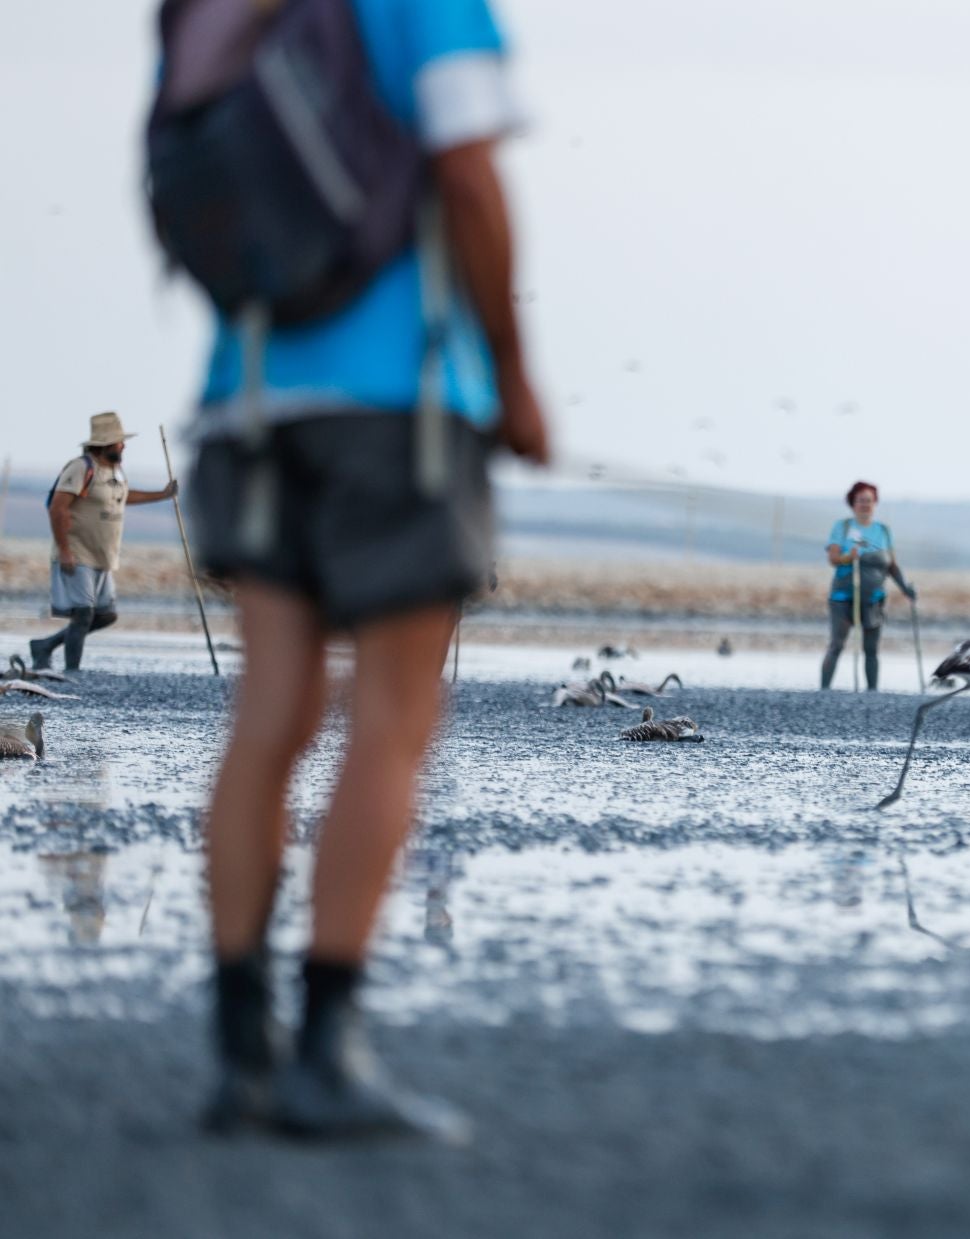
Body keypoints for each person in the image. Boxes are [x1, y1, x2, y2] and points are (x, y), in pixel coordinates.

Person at [185, 0, 549, 1140]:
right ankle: (327, 1049)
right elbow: (471, 179)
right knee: (392, 711)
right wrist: (518, 375)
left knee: (269, 712)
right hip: (405, 398)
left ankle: (241, 1053)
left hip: (246, 391)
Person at [26, 412, 178, 672]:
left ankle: (45, 645)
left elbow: (125, 497)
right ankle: (72, 671)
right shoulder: (81, 468)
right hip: (77, 552)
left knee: (106, 615)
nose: (124, 446)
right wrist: (64, 549)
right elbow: (58, 508)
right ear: (106, 444)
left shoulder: (115, 472)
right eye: (119, 441)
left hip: (103, 556)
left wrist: (162, 495)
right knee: (83, 613)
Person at [821, 481, 915, 690]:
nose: (865, 504)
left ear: (875, 503)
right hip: (843, 596)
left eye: (869, 500)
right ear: (852, 503)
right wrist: (848, 557)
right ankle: (823, 692)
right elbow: (833, 558)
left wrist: (905, 588)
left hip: (874, 598)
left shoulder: (883, 531)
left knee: (871, 649)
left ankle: (872, 693)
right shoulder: (842, 527)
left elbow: (891, 565)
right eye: (860, 500)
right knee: (837, 644)